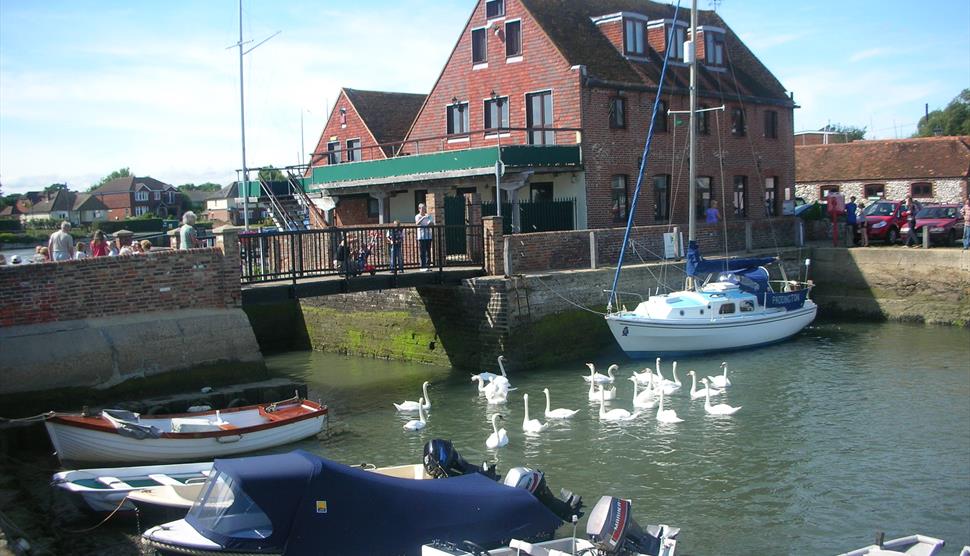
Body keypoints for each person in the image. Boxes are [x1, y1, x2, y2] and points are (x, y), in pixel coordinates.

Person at [415, 203, 434, 271]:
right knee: (422, 252)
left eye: (424, 208)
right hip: (421, 236)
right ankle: (422, 266)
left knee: (428, 252)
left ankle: (428, 266)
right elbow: (417, 223)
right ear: (419, 209)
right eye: (422, 208)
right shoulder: (417, 216)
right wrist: (423, 218)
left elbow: (432, 223)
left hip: (428, 236)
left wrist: (429, 222)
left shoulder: (428, 216)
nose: (424, 210)